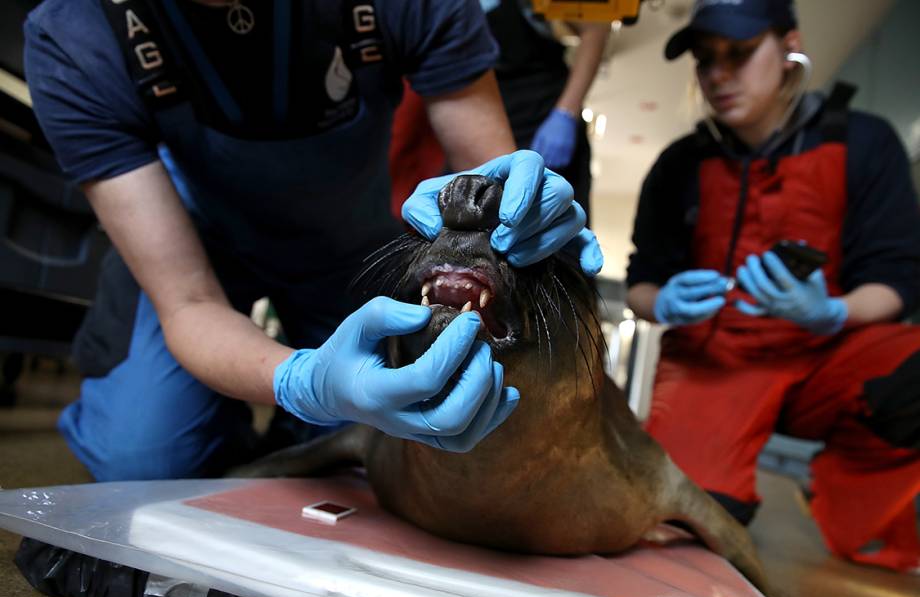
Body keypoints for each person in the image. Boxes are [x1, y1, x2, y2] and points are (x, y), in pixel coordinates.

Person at [23, 0, 603, 481]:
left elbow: (488, 182)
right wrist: (302, 383)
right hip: (195, 248)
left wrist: (519, 212)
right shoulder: (78, 39)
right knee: (145, 463)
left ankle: (288, 429)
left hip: (345, 254)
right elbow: (187, 301)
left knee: (378, 443)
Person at [626, 0, 920, 573]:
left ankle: (851, 512)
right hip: (716, 365)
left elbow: (898, 281)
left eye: (738, 54)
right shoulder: (677, 166)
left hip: (824, 361)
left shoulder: (864, 143)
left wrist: (831, 311)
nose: (717, 76)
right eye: (706, 61)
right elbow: (640, 281)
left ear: (790, 47)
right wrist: (660, 301)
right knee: (689, 521)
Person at [480, 0, 608, 220]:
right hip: (483, 116)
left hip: (544, 117)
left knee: (555, 223)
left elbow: (595, 29)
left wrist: (565, 113)